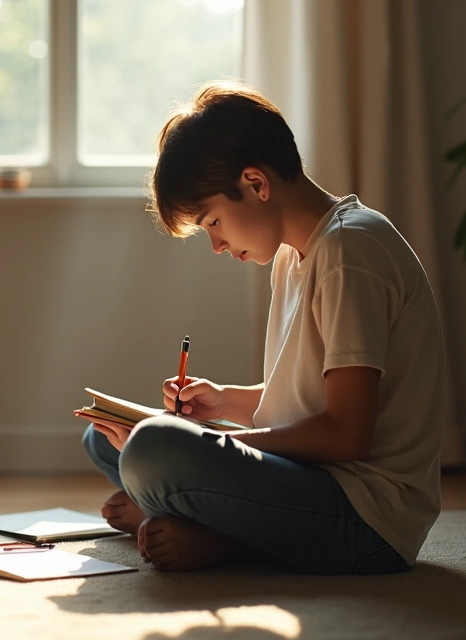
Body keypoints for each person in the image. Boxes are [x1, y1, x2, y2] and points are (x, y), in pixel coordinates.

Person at [81, 80, 447, 575]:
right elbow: (309, 401)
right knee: (108, 438)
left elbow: (347, 435)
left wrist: (212, 445)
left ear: (255, 184)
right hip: (312, 480)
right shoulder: (295, 255)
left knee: (152, 447)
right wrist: (226, 403)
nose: (216, 245)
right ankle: (194, 511)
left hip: (365, 517)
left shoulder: (349, 253)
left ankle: (223, 535)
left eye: (212, 222)